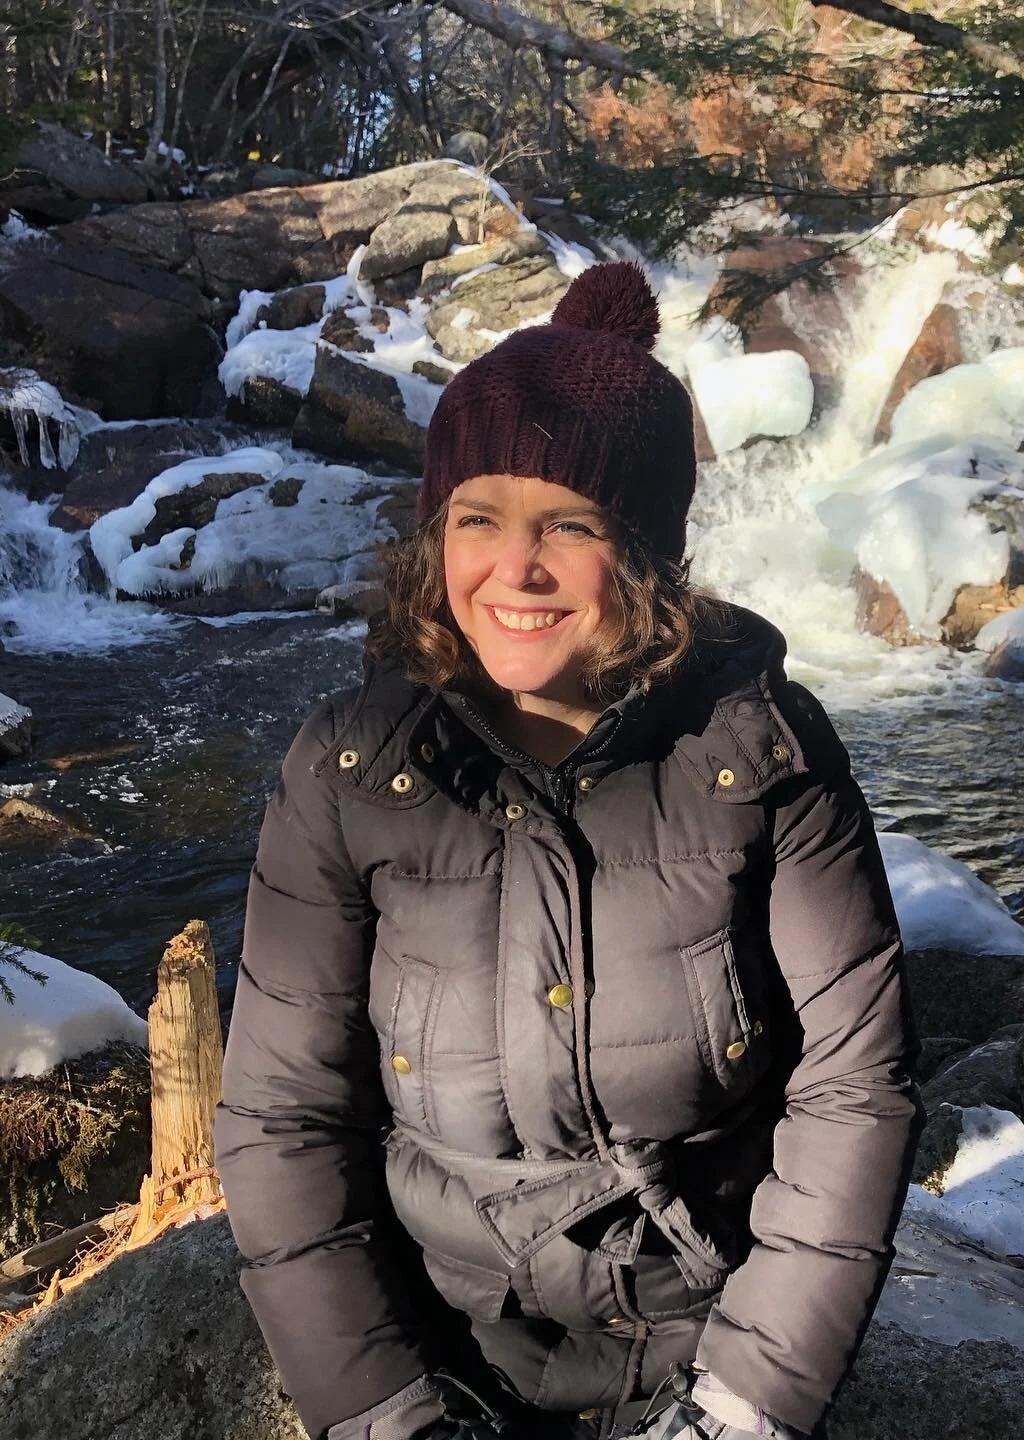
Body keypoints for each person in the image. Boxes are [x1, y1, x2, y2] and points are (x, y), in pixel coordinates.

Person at [215, 261, 920, 1440]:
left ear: (640, 551)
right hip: (438, 1352)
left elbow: (854, 1089)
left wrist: (745, 1408)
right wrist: (384, 1408)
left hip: (707, 1344)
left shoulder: (765, 754)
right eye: (478, 518)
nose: (515, 570)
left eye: (569, 525)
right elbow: (283, 1111)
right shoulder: (348, 767)